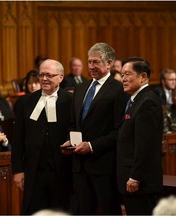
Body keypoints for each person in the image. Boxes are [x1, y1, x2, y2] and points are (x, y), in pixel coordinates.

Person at [61, 42, 128, 214]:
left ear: (109, 63)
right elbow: (73, 123)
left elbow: (119, 131)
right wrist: (71, 143)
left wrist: (91, 146)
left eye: (96, 62)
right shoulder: (81, 87)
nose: (91, 66)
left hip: (104, 165)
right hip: (80, 167)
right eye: (89, 62)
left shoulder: (119, 90)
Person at [12, 59, 73, 214]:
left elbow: (75, 130)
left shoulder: (71, 100)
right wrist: (18, 170)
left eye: (49, 75)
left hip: (62, 170)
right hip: (34, 170)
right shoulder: (25, 101)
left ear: (61, 77)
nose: (44, 79)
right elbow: (18, 138)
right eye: (42, 75)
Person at [116, 56, 163, 215]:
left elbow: (145, 144)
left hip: (140, 183)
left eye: (127, 74)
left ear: (143, 77)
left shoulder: (147, 102)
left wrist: (135, 176)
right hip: (133, 181)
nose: (123, 79)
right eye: (122, 75)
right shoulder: (135, 100)